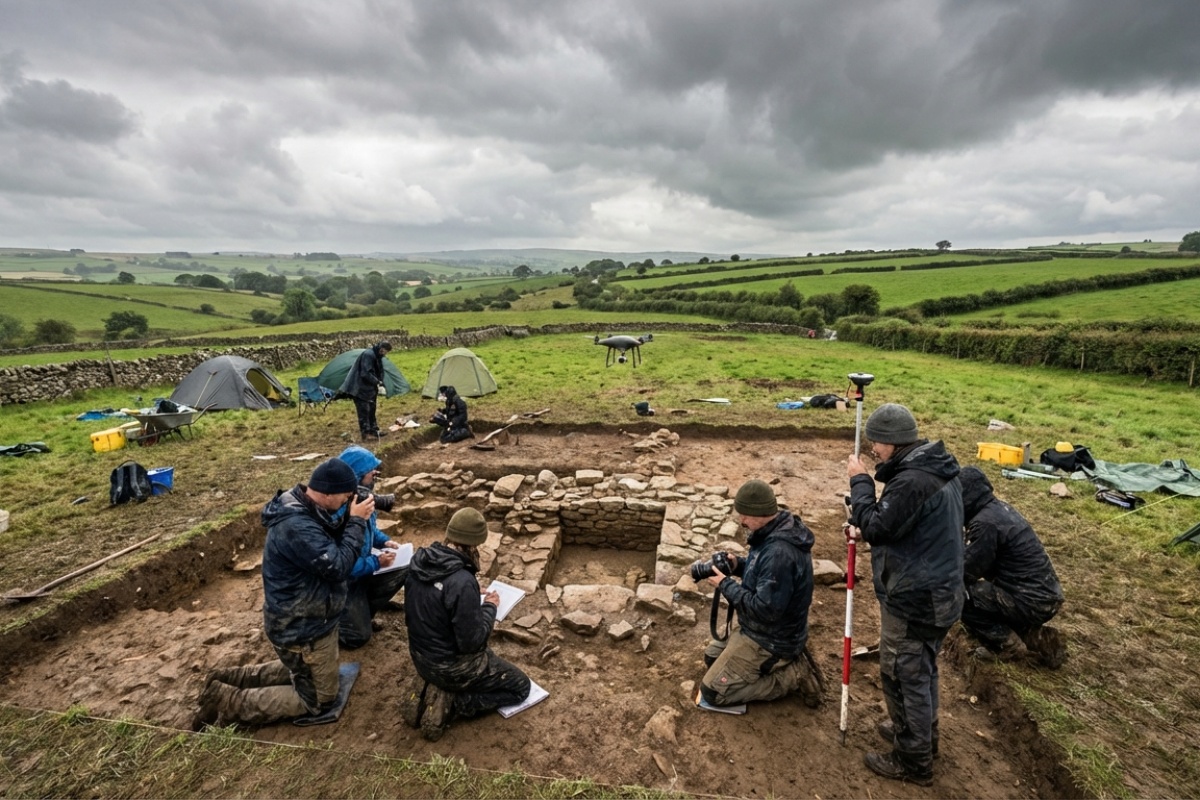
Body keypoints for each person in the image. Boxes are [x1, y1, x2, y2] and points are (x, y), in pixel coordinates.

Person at [192, 458, 370, 728]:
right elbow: (337, 566)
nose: (347, 503)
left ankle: (229, 677)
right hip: (302, 628)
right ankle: (227, 700)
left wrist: (347, 516)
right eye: (345, 498)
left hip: (303, 618)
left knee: (303, 670)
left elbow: (326, 542)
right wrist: (356, 522)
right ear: (326, 493)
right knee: (320, 699)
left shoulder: (305, 505)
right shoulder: (296, 526)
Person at [847, 403, 964, 787]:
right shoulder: (936, 468)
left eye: (875, 445)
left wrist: (861, 482)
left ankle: (912, 760)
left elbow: (881, 526)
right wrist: (869, 529)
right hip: (940, 592)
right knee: (923, 670)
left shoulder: (913, 480)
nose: (873, 452)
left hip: (916, 599)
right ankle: (922, 738)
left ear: (891, 442)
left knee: (901, 674)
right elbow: (907, 524)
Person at [401, 507, 531, 741]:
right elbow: (471, 643)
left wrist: (469, 597)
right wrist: (489, 606)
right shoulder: (461, 581)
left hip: (420, 657)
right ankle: (454, 703)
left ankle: (429, 685)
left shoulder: (420, 562)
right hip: (452, 668)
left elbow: (434, 601)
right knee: (520, 687)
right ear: (473, 545)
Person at [698, 479, 823, 709]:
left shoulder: (779, 553)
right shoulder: (773, 531)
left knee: (713, 693)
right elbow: (764, 576)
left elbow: (765, 610)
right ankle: (772, 666)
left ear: (760, 512)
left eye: (744, 515)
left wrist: (725, 585)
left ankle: (793, 675)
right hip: (757, 629)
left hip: (772, 639)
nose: (741, 520)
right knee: (711, 657)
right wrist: (737, 565)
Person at [959, 466, 1067, 668]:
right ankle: (1036, 638)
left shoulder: (985, 524)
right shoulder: (998, 509)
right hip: (1044, 596)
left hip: (1029, 600)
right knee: (984, 597)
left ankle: (1007, 644)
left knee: (959, 596)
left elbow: (967, 571)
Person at [335, 445, 408, 650]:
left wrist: (384, 541)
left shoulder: (361, 500)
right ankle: (335, 627)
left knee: (403, 568)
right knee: (357, 638)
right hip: (341, 586)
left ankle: (364, 613)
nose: (375, 474)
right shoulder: (336, 514)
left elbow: (370, 530)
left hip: (361, 572)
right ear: (357, 475)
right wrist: (376, 562)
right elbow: (341, 565)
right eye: (371, 471)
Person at [340, 341, 392, 439]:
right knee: (364, 410)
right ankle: (366, 433)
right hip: (359, 387)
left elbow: (379, 371)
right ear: (382, 349)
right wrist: (377, 382)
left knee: (372, 409)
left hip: (369, 388)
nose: (385, 354)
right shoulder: (368, 355)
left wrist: (381, 381)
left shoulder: (377, 356)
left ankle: (374, 430)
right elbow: (365, 373)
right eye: (385, 351)